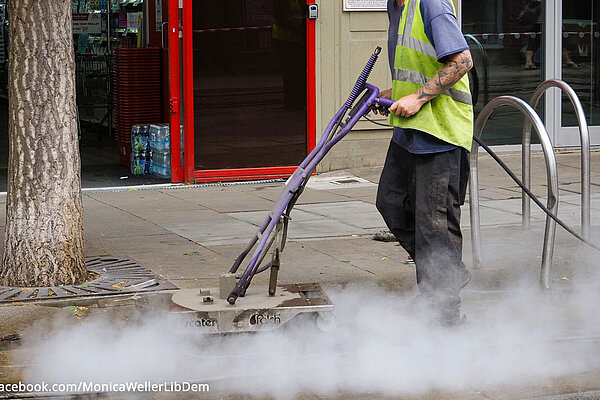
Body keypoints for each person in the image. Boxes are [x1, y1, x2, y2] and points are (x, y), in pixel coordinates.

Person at [374, 0, 474, 326]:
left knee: (433, 227)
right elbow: (418, 66)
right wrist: (395, 94)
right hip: (409, 134)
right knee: (391, 202)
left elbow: (462, 61)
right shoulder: (396, 6)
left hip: (440, 134)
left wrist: (417, 98)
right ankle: (444, 275)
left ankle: (444, 318)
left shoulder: (431, 3)